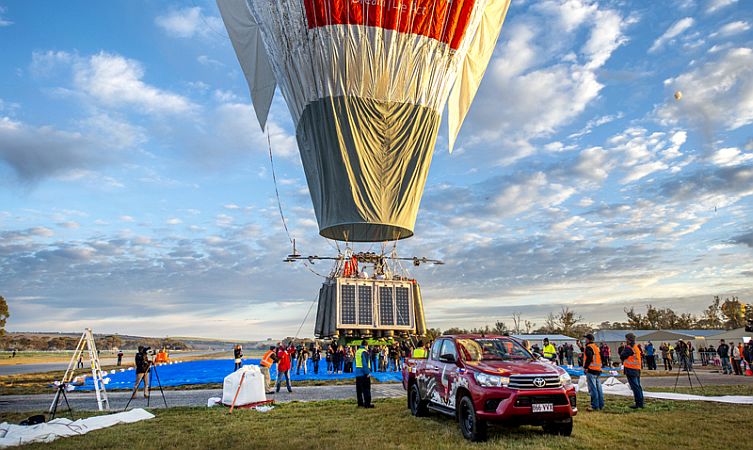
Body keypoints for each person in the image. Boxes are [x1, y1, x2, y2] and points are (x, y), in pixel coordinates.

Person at [620, 333, 644, 409]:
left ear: (629, 340)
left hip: (631, 369)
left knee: (635, 387)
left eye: (626, 339)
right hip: (637, 368)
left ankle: (638, 404)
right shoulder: (636, 347)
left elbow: (622, 356)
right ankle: (640, 403)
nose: (626, 340)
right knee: (638, 387)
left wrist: (624, 349)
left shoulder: (629, 348)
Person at [583, 334, 604, 411]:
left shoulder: (588, 347)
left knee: (593, 389)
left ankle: (595, 406)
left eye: (586, 339)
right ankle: (601, 405)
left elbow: (589, 357)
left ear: (588, 339)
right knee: (599, 389)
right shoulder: (596, 347)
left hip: (591, 370)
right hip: (598, 369)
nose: (585, 340)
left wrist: (585, 367)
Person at [355, 340, 374, 408]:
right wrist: (367, 373)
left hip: (358, 373)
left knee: (359, 390)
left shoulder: (357, 351)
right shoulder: (364, 352)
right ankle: (367, 404)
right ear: (366, 345)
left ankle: (360, 403)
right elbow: (365, 363)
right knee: (366, 389)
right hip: (363, 373)